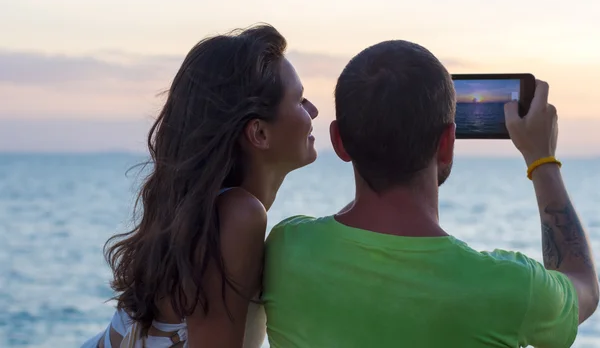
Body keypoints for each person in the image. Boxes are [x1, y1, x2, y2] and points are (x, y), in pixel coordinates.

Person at [262, 40, 599, 347]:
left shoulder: (286, 249)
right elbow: (583, 284)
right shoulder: (511, 288)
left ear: (339, 142)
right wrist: (542, 160)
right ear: (447, 143)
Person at [81, 24, 319, 348]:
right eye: (300, 100)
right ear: (259, 133)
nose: (313, 111)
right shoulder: (237, 215)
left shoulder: (195, 213)